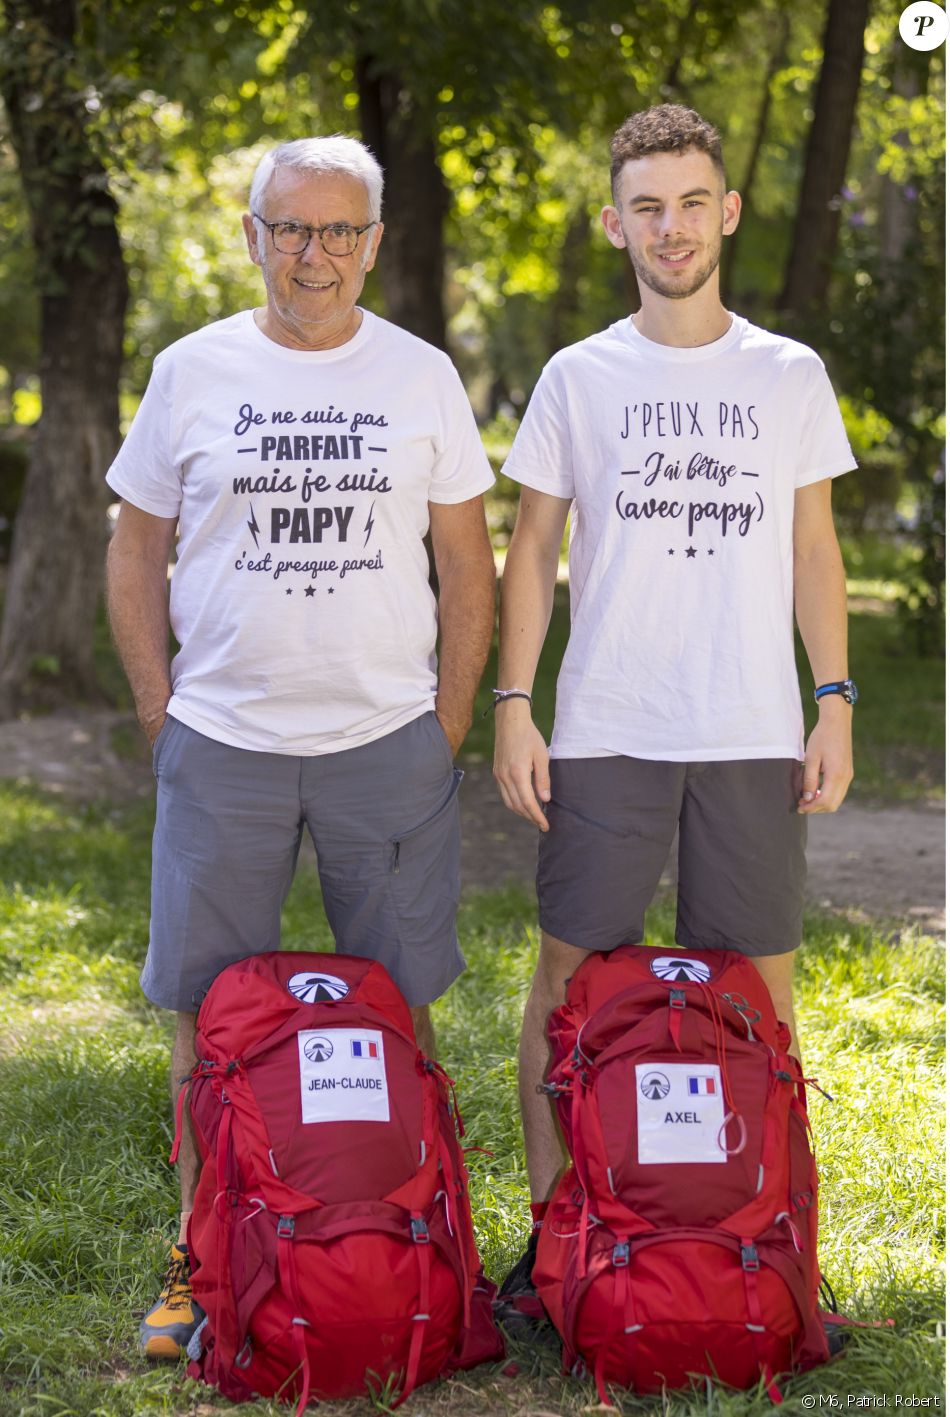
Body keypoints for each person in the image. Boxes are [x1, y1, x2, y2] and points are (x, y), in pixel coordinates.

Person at [105, 136, 496, 1358]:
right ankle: (201, 1260)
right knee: (202, 1016)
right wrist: (160, 710)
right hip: (221, 740)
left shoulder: (421, 375)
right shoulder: (190, 370)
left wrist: (445, 720)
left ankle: (414, 1254)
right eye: (289, 228)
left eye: (336, 230)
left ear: (372, 242)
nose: (311, 253)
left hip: (386, 740)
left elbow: (465, 560)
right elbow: (134, 546)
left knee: (400, 1007)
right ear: (252, 237)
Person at [491, 104, 857, 1317]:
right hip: (606, 727)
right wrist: (513, 703)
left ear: (727, 212)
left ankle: (763, 1242)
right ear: (614, 225)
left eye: (691, 202)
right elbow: (530, 548)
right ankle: (555, 1244)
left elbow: (812, 549)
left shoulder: (785, 373)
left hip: (750, 731)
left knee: (757, 999)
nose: (671, 226)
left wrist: (832, 699)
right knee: (566, 984)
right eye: (646, 207)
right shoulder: (577, 375)